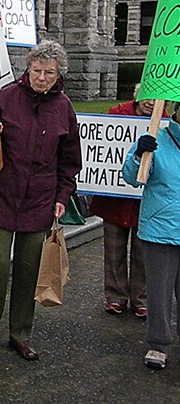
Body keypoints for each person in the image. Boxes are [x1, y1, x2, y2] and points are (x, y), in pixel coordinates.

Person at [0, 40, 82, 361]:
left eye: (48, 72)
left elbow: (70, 160)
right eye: (36, 70)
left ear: (58, 75)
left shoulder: (63, 108)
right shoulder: (5, 98)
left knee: (29, 270)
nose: (41, 77)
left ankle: (20, 334)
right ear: (26, 69)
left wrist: (62, 196)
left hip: (39, 201)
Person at [90, 87, 165, 319]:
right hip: (114, 199)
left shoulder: (165, 124)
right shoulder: (117, 114)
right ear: (137, 96)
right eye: (147, 97)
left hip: (147, 203)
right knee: (113, 252)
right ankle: (115, 297)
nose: (151, 103)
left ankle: (140, 299)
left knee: (143, 254)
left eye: (157, 99)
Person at [122, 101, 180, 370]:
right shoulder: (156, 136)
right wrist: (139, 156)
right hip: (161, 230)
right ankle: (158, 344)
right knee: (159, 292)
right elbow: (133, 178)